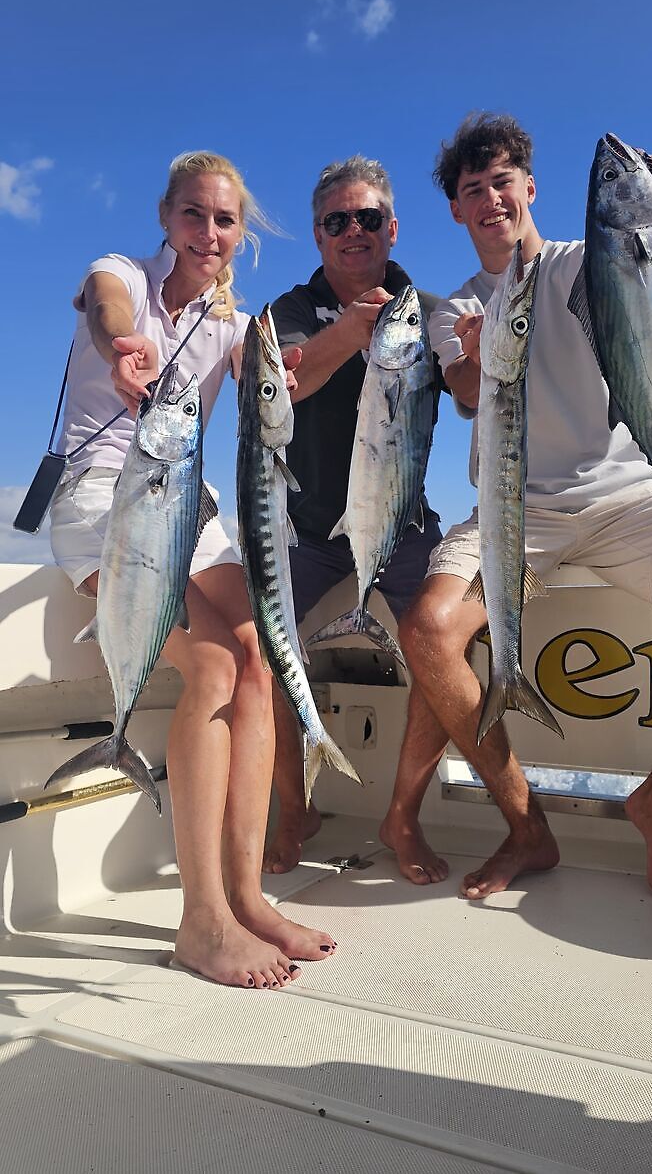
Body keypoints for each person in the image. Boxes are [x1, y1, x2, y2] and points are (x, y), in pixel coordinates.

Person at [388, 111, 652, 909]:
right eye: (472, 189)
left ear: (529, 188)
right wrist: (476, 348)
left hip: (631, 496)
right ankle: (525, 823)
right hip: (516, 509)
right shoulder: (453, 307)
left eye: (501, 181)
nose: (490, 198)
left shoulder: (585, 262)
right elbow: (467, 392)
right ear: (456, 210)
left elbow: (650, 289)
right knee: (428, 629)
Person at [49, 150, 340, 988]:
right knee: (212, 664)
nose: (208, 232)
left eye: (224, 219)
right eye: (193, 213)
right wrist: (122, 346)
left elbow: (282, 380)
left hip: (185, 497)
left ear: (240, 233)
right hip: (101, 495)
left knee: (259, 655)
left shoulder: (231, 327)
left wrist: (341, 340)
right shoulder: (121, 275)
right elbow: (105, 307)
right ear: (166, 217)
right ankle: (202, 919)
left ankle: (246, 897)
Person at [263, 155, 447, 876]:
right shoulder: (286, 311)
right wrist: (348, 332)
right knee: (258, 651)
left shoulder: (428, 310)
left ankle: (402, 815)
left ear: (391, 228)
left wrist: (470, 353)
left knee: (444, 649)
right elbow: (280, 387)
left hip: (402, 523)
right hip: (307, 530)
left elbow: (471, 394)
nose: (352, 230)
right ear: (317, 234)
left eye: (367, 217)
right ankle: (295, 807)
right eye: (335, 220)